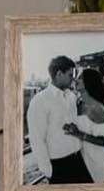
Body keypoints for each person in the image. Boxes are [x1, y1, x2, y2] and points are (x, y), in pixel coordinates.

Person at [24, 55, 90, 184]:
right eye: (70, 75)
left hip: (79, 160)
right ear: (59, 74)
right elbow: (37, 139)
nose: (73, 79)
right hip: (59, 166)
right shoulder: (40, 101)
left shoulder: (71, 97)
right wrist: (49, 171)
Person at [68, 65, 104, 183]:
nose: (76, 80)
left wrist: (79, 134)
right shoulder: (78, 103)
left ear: (88, 82)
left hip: (95, 161)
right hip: (81, 159)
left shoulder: (97, 108)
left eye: (80, 78)